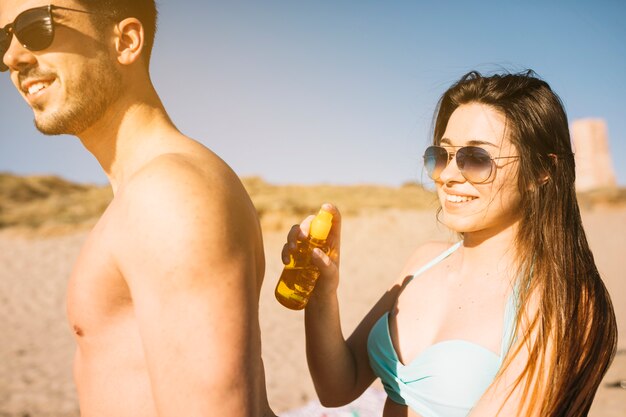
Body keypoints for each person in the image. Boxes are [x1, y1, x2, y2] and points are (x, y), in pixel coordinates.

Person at [283, 71, 617, 416]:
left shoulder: (559, 298)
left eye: (476, 158)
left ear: (539, 172)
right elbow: (338, 386)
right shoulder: (423, 261)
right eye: (441, 155)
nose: (447, 175)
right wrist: (322, 291)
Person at [1, 1, 275, 416]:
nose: (12, 57)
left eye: (36, 27)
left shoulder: (169, 194)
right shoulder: (142, 194)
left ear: (126, 41)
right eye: (3, 39)